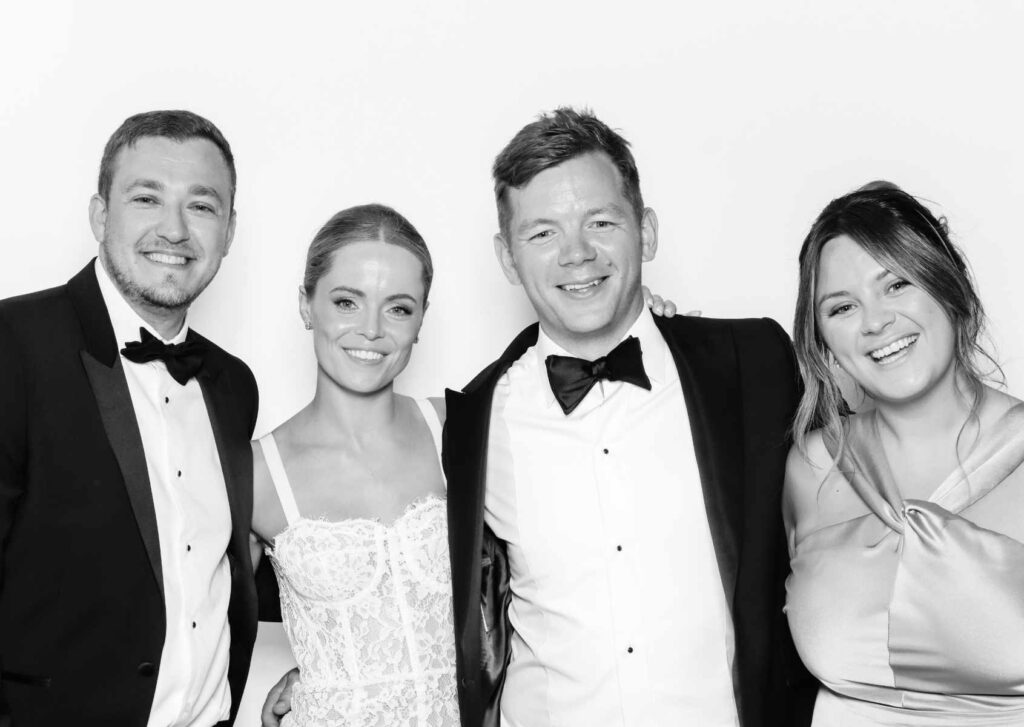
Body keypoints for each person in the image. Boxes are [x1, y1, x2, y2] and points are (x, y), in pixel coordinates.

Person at [439, 107, 814, 727]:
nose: (577, 254)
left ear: (646, 231)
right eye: (543, 234)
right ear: (507, 259)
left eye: (601, 222)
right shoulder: (474, 419)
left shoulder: (753, 364)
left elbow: (836, 526)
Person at [0, 110, 259, 726]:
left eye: (202, 206)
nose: (174, 229)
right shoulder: (12, 345)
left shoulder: (233, 384)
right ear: (99, 216)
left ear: (228, 231)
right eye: (147, 198)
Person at [784, 181, 1024, 724]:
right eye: (843, 307)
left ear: (949, 285)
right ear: (823, 341)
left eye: (896, 284)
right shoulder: (811, 467)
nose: (875, 322)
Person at [250, 204, 461, 726]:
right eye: (347, 302)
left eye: (398, 309)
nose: (371, 330)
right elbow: (193, 631)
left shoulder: (457, 428)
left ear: (421, 320)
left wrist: (649, 324)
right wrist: (324, 677)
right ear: (306, 305)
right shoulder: (256, 474)